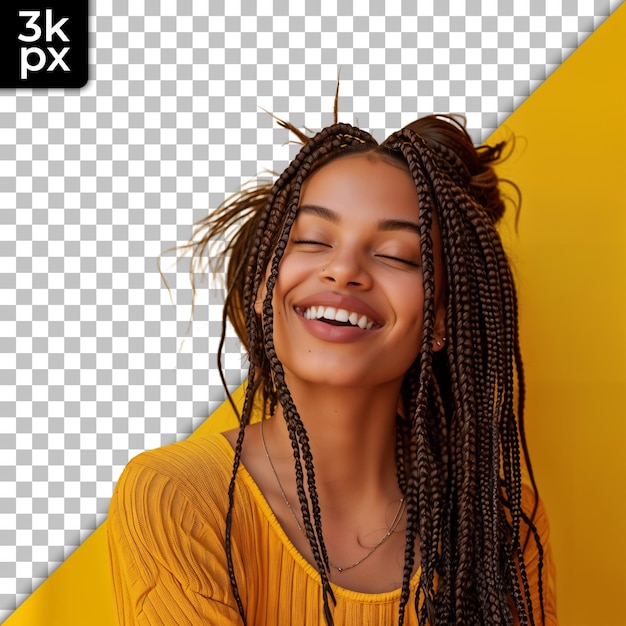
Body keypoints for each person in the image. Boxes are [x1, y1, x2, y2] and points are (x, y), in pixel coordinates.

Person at [107, 112, 558, 625]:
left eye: (397, 255)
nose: (343, 269)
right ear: (262, 288)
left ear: (439, 320)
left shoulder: (497, 522)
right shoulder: (178, 495)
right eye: (313, 240)